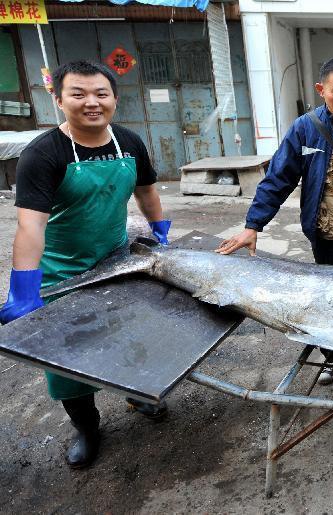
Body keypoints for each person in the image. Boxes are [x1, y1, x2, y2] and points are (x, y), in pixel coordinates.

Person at [0, 60, 172, 469]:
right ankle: (87, 427)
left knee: (131, 335)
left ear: (114, 98)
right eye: (78, 94)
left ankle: (137, 394)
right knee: (67, 360)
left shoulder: (130, 141)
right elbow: (30, 226)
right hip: (62, 271)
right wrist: (24, 288)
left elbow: (146, 190)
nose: (91, 103)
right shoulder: (43, 154)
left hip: (116, 259)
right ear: (58, 99)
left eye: (101, 94)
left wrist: (160, 229)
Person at [215, 55, 333, 385]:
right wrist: (252, 225)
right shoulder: (305, 129)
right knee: (328, 299)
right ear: (321, 90)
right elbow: (277, 179)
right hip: (324, 233)